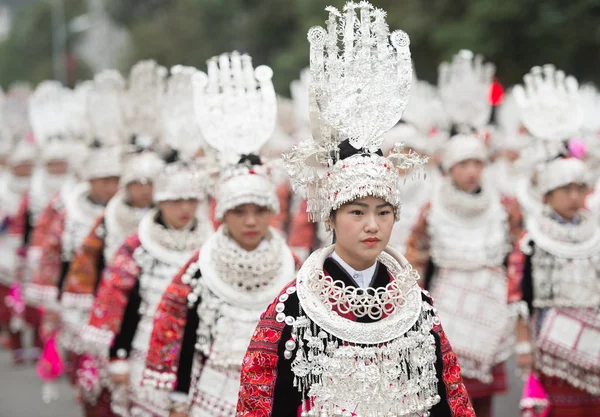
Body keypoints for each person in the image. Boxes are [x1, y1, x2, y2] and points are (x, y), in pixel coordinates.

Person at [236, 4, 474, 416]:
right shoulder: (293, 306)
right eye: (357, 212)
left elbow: (448, 395)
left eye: (383, 212)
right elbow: (261, 402)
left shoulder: (414, 302)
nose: (372, 226)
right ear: (330, 217)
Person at [139, 52, 297, 417]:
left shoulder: (292, 267)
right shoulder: (200, 268)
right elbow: (184, 332)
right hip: (212, 391)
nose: (251, 222)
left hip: (274, 397)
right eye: (239, 212)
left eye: (259, 211)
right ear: (222, 215)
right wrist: (179, 395)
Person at [405, 51, 522, 417]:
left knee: (484, 402)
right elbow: (416, 260)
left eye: (477, 163)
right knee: (448, 395)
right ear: (451, 167)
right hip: (448, 306)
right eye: (463, 164)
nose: (471, 171)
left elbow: (516, 258)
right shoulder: (432, 208)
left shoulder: (504, 206)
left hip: (490, 304)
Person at [507, 65, 600, 417]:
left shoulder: (596, 234)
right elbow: (518, 296)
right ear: (546, 195)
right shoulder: (533, 241)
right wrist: (523, 344)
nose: (574, 196)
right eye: (565, 189)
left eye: (580, 188)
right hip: (551, 342)